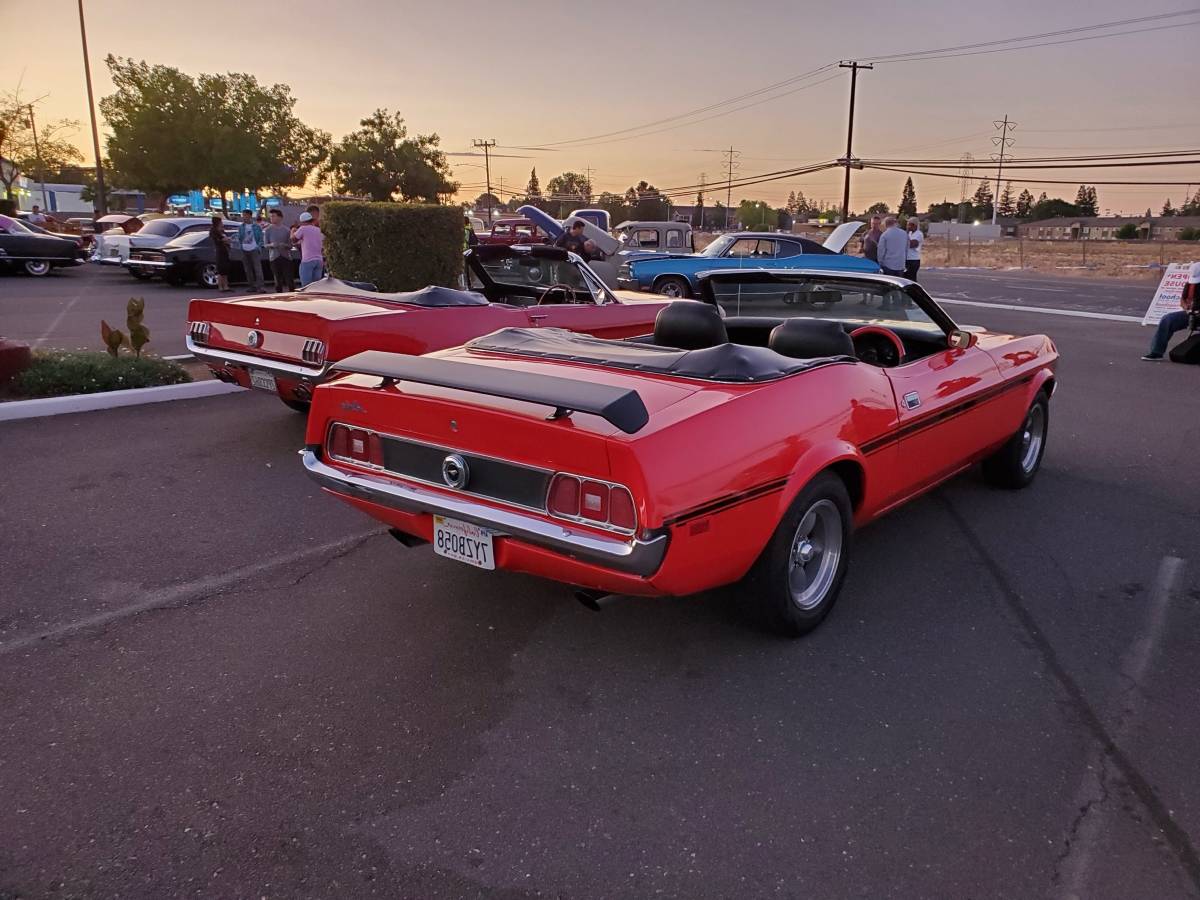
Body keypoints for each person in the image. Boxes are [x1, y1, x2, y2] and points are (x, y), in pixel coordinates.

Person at [1142, 260, 1199, 360]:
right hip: (1192, 314)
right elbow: (1182, 300)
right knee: (1167, 319)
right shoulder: (1190, 284)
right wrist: (1187, 309)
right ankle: (1156, 352)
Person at [264, 208, 294, 293]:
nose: (271, 218)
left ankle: (293, 296)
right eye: (270, 216)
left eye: (273, 216)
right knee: (277, 279)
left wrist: (284, 245)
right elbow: (265, 244)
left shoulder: (287, 230)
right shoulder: (268, 230)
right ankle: (279, 296)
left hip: (286, 257)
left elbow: (290, 245)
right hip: (274, 257)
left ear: (280, 217)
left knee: (289, 279)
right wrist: (271, 245)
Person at [237, 209, 266, 292]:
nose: (244, 217)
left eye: (245, 215)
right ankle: (251, 286)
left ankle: (260, 286)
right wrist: (241, 246)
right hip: (244, 249)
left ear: (250, 216)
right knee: (248, 269)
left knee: (257, 268)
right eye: (243, 215)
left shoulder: (256, 226)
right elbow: (239, 237)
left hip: (254, 249)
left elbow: (260, 237)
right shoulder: (241, 227)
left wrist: (258, 246)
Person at [293, 211, 324, 287]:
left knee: (306, 286)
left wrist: (292, 231)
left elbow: (293, 239)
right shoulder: (318, 230)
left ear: (302, 222)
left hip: (307, 260)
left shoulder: (303, 228)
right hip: (319, 261)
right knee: (316, 286)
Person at [209, 215, 232, 292]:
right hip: (220, 251)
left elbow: (226, 239)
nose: (222, 223)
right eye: (221, 222)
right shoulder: (214, 231)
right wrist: (224, 239)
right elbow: (219, 240)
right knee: (221, 269)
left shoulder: (222, 231)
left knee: (226, 269)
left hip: (225, 250)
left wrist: (227, 240)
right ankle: (220, 286)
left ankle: (226, 286)